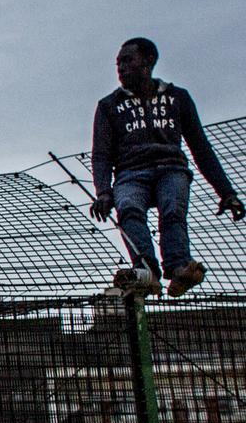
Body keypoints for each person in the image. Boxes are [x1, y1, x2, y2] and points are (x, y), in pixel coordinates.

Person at [89, 37, 244, 297]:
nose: (121, 68)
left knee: (172, 210)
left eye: (128, 60)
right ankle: (146, 270)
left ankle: (179, 266)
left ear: (148, 61)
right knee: (128, 208)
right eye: (118, 63)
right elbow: (101, 154)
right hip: (130, 173)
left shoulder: (177, 98)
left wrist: (226, 192)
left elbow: (201, 148)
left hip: (171, 168)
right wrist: (104, 191)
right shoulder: (109, 106)